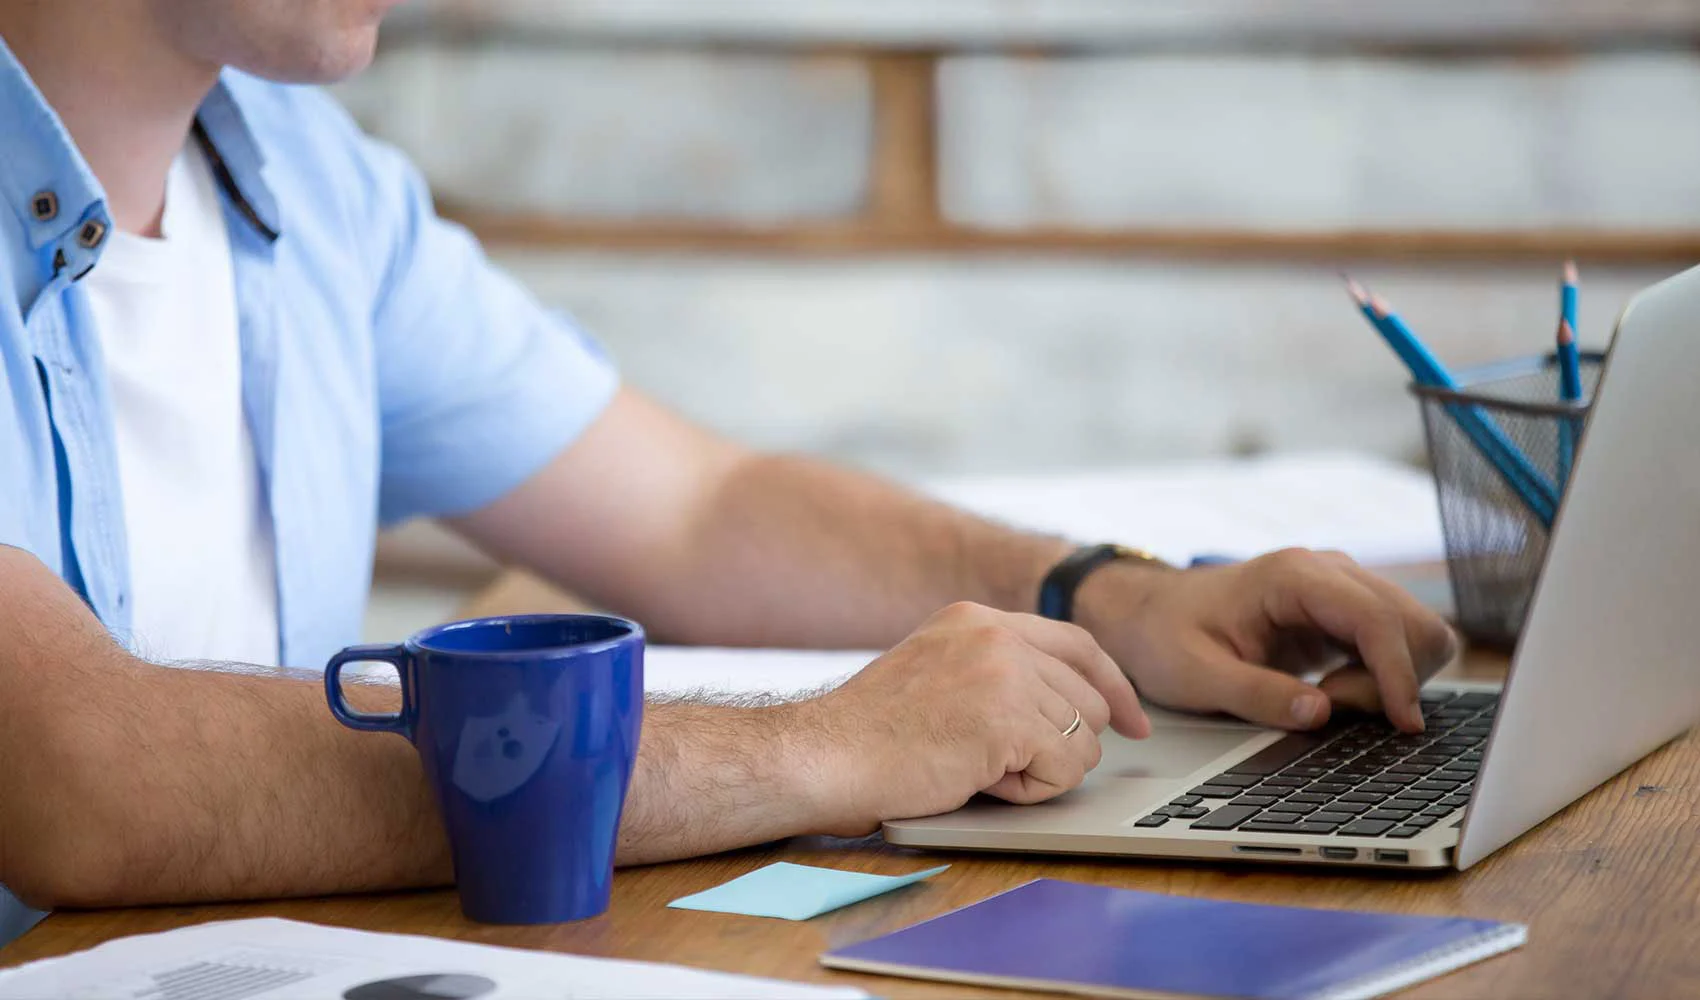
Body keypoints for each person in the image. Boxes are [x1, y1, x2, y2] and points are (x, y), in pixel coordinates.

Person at [0, 0, 1455, 945]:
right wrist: (828, 744)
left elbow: (695, 508)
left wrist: (1112, 602)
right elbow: (78, 776)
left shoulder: (307, 185)